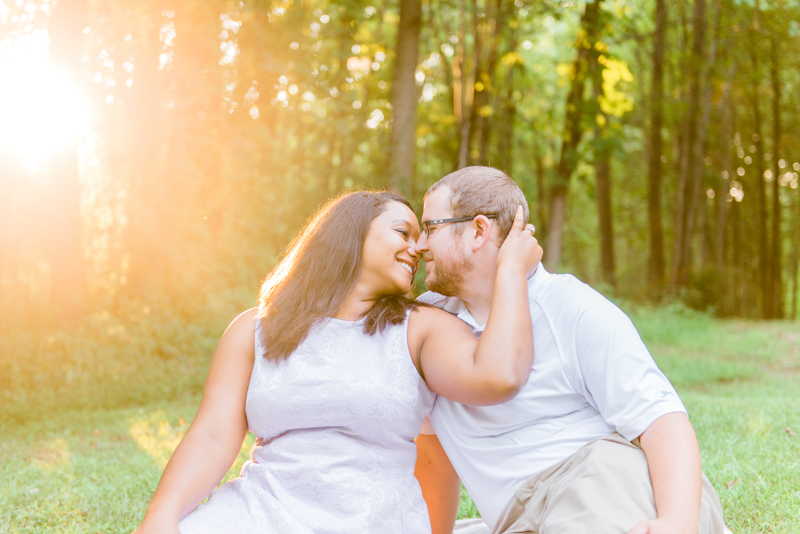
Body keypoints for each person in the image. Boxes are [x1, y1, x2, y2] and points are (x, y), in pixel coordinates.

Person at [133, 190, 542, 534]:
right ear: (351, 234)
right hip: (257, 514)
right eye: (404, 231)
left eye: (421, 237)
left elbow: (500, 375)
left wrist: (510, 271)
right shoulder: (254, 329)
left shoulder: (421, 329)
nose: (418, 248)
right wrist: (160, 519)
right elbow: (212, 437)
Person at [413, 167, 727, 534]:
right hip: (523, 519)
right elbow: (432, 451)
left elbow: (662, 419)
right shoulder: (428, 324)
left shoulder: (569, 307)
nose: (419, 245)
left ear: (478, 231)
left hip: (600, 483)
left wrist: (677, 523)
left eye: (430, 228)